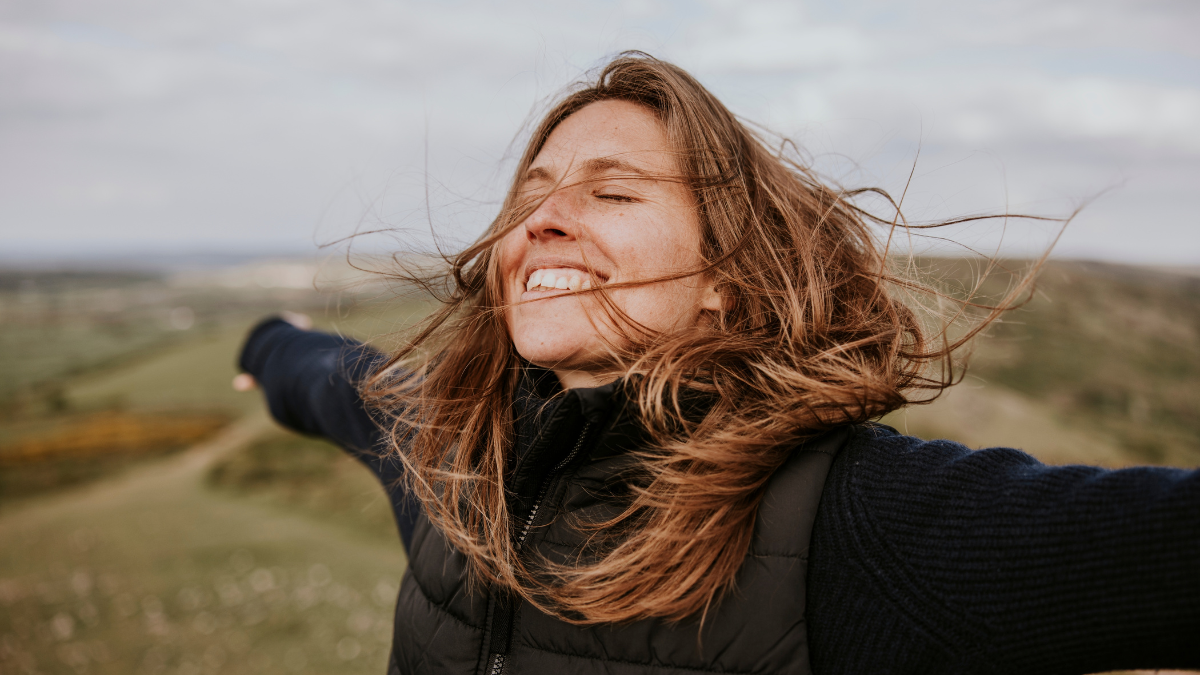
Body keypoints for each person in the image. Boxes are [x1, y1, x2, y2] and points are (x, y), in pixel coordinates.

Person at [234, 53, 1200, 675]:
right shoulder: (449, 449)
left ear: (725, 280)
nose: (542, 219)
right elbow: (334, 380)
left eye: (612, 191)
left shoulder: (847, 514)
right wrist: (266, 344)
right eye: (533, 193)